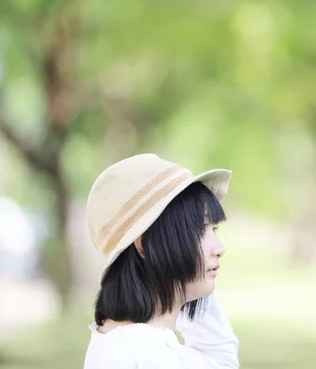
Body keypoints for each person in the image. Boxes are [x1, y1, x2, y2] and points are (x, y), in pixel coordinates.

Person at [83, 153, 240, 368]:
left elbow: (220, 358)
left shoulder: (135, 345)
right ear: (144, 244)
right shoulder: (143, 356)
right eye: (200, 229)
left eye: (214, 229)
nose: (219, 248)